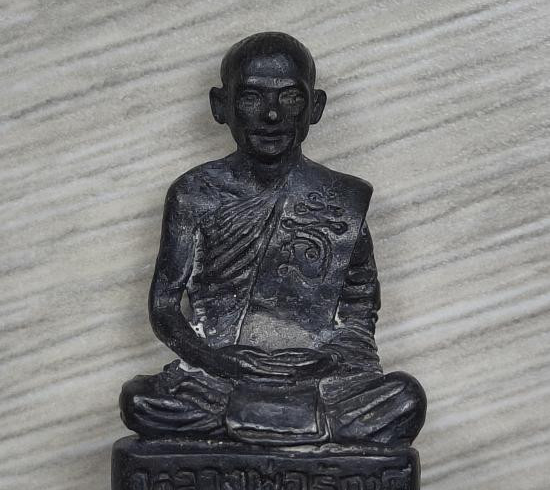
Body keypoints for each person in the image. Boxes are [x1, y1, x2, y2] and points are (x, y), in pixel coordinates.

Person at [120, 32, 426, 446]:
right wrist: (215, 359)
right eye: (251, 97)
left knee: (405, 398)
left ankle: (254, 425)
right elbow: (164, 307)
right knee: (139, 399)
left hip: (314, 376)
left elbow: (358, 309)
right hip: (221, 375)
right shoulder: (194, 194)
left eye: (291, 98)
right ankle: (302, 428)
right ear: (220, 106)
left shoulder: (340, 199)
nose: (271, 115)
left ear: (315, 107)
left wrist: (328, 360)